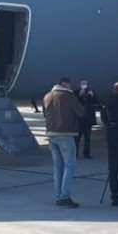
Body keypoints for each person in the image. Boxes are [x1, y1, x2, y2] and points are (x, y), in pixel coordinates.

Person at [43, 77, 84, 208]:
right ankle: (65, 195)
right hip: (65, 134)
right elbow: (81, 113)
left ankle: (58, 195)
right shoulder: (68, 96)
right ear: (66, 85)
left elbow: (45, 114)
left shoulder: (47, 96)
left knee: (58, 166)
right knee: (69, 165)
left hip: (51, 134)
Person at [74, 79, 99, 159]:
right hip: (79, 119)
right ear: (79, 84)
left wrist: (92, 95)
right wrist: (80, 95)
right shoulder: (76, 92)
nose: (84, 85)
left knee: (87, 138)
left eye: (85, 84)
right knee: (77, 138)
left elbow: (97, 101)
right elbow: (74, 102)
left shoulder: (91, 92)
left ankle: (87, 153)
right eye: (82, 84)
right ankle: (75, 153)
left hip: (88, 118)